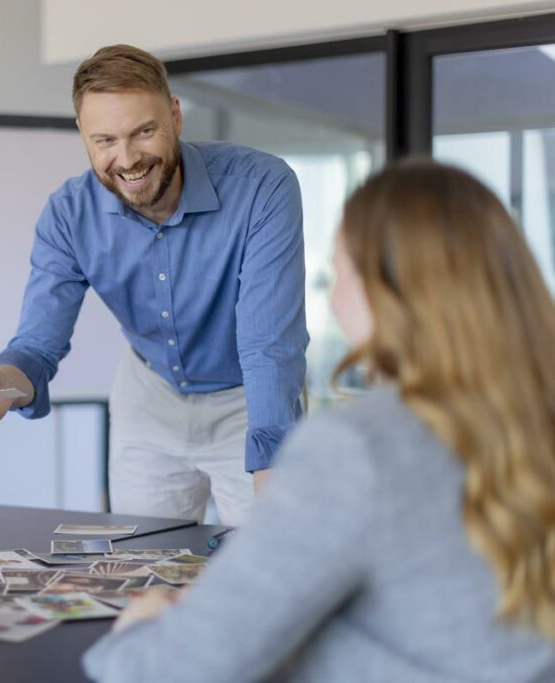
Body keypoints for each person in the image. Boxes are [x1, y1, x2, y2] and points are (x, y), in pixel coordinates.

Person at [82, 160, 555, 682]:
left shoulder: (360, 447)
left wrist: (140, 626)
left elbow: (170, 671)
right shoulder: (531, 417)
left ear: (381, 289)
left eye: (337, 272)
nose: (332, 295)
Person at [0, 44, 307, 526]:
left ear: (175, 116)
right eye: (106, 140)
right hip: (149, 399)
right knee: (145, 564)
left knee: (269, 563)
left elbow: (268, 348)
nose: (128, 158)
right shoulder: (69, 214)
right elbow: (36, 345)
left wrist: (275, 500)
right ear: (83, 136)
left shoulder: (262, 188)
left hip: (247, 399)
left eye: (144, 131)